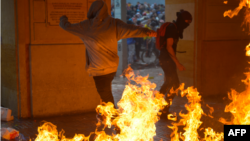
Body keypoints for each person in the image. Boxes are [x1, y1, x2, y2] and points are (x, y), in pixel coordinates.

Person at [59, 0, 156, 108]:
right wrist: (147, 32)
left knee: (106, 96)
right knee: (105, 93)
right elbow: (132, 29)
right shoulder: (114, 24)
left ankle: (114, 120)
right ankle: (104, 116)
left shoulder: (86, 26)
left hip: (99, 69)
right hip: (112, 67)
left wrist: (63, 18)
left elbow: (66, 26)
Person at [159, 10, 192, 119]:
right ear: (182, 20)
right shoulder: (172, 28)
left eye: (189, 23)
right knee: (175, 85)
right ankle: (163, 110)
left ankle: (157, 105)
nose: (187, 25)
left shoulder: (176, 28)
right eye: (186, 22)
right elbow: (169, 46)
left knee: (168, 83)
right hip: (166, 60)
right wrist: (178, 64)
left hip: (168, 60)